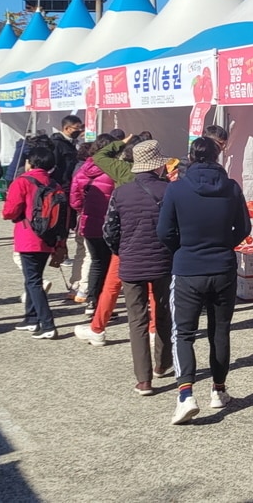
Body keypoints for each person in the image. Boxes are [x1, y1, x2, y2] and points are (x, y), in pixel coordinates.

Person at [159, 136, 251, 425]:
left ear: (190, 157)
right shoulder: (232, 187)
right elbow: (244, 227)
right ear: (217, 156)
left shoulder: (176, 189)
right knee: (219, 332)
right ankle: (218, 390)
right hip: (223, 267)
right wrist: (224, 243)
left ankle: (185, 394)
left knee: (183, 333)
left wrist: (182, 250)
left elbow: (164, 231)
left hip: (188, 268)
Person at [105, 140, 174, 396]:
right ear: (158, 165)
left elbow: (109, 230)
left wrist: (120, 250)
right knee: (164, 312)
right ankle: (162, 363)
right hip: (163, 260)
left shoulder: (121, 193)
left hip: (131, 261)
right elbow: (175, 228)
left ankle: (143, 379)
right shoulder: (169, 191)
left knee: (137, 320)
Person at [75, 135, 144, 347]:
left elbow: (99, 155)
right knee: (152, 289)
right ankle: (153, 332)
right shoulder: (160, 178)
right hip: (150, 237)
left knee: (111, 285)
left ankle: (97, 329)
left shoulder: (122, 170)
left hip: (125, 238)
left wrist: (121, 141)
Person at [2, 143, 68, 339]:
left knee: (33, 281)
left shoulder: (22, 181)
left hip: (28, 236)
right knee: (34, 277)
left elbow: (9, 212)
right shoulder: (55, 184)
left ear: (31, 163)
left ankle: (47, 324)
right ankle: (30, 317)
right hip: (49, 237)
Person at [70, 134, 117, 316]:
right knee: (107, 264)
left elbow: (74, 201)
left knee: (96, 262)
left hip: (88, 222)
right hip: (109, 223)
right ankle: (101, 305)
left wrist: (86, 209)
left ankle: (92, 301)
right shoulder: (113, 171)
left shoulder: (82, 170)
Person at [50, 115, 83, 187]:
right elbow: (54, 164)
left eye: (80, 128)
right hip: (61, 183)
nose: (79, 131)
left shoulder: (73, 142)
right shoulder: (56, 143)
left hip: (71, 182)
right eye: (76, 128)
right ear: (67, 128)